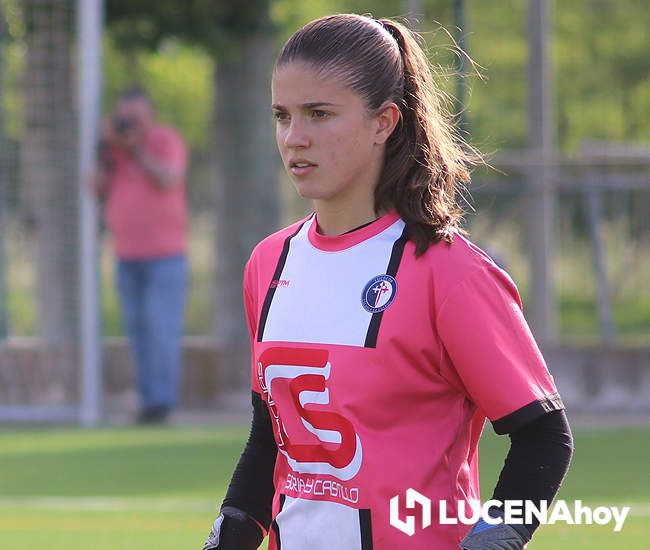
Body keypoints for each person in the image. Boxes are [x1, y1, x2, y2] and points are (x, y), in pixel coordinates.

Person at [204, 14, 573, 550]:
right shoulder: (268, 263)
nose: (294, 137)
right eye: (282, 116)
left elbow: (543, 437)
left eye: (319, 114)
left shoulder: (449, 273)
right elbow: (271, 438)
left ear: (384, 122)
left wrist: (493, 540)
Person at [94, 87, 189, 424]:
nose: (129, 125)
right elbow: (93, 187)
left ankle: (162, 403)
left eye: (136, 118)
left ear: (149, 115)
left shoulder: (165, 141)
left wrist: (137, 151)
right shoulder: (115, 152)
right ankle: (147, 399)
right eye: (124, 118)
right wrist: (104, 149)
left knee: (160, 326)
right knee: (136, 329)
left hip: (166, 256)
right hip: (126, 255)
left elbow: (168, 179)